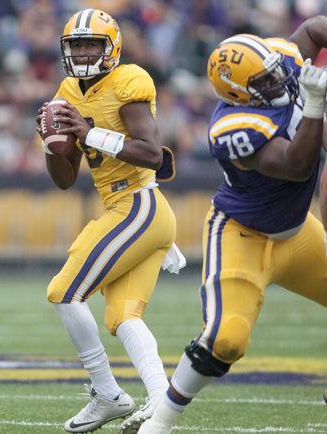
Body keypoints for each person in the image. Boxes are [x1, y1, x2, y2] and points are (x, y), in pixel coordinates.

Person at [139, 19, 327, 434]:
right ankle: (160, 422)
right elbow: (296, 167)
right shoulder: (233, 128)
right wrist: (315, 104)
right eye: (266, 81)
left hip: (297, 232)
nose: (281, 80)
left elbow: (313, 30)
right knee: (226, 341)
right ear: (238, 93)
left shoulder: (281, 62)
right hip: (243, 233)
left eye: (277, 70)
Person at [36, 8, 184, 434]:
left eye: (91, 44)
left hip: (139, 204)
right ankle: (161, 405)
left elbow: (152, 154)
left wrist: (88, 132)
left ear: (111, 47)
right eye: (75, 44)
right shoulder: (67, 89)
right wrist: (52, 147)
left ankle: (107, 393)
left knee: (64, 292)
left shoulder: (129, 80)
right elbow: (66, 179)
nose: (82, 52)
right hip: (127, 210)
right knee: (123, 317)